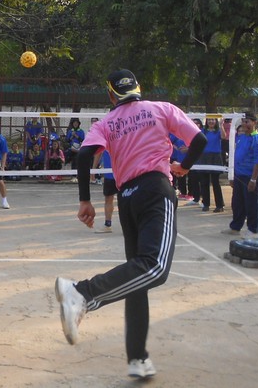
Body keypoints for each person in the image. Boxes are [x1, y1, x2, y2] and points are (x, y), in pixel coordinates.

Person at [55, 69, 207, 380]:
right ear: (139, 88)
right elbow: (199, 140)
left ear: (111, 95)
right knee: (155, 268)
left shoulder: (106, 123)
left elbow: (84, 156)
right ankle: (82, 293)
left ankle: (138, 358)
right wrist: (184, 166)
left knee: (139, 277)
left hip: (127, 199)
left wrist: (85, 201)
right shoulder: (162, 109)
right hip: (155, 190)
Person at [221, 112, 258, 237]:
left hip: (249, 177)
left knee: (251, 204)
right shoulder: (241, 137)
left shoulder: (257, 139)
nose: (244, 124)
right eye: (243, 121)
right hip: (238, 175)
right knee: (237, 203)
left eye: (247, 121)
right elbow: (235, 156)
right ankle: (235, 227)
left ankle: (252, 230)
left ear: (254, 123)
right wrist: (232, 175)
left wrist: (253, 180)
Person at [197, 117, 225, 212]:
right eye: (209, 119)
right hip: (204, 157)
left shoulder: (218, 131)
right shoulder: (203, 131)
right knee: (204, 182)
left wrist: (221, 125)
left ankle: (219, 205)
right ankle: (206, 204)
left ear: (216, 121)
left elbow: (224, 137)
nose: (211, 121)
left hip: (215, 157)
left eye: (213, 120)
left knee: (215, 182)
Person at [92, 149, 116, 233]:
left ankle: (129, 227)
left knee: (125, 200)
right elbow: (99, 152)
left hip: (123, 172)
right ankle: (107, 225)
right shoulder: (105, 141)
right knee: (108, 199)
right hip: (109, 174)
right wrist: (93, 170)